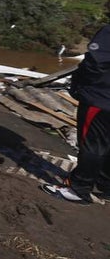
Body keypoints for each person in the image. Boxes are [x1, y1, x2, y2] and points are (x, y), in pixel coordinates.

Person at [43, 21, 110, 202]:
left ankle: (78, 188)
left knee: (92, 145)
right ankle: (106, 186)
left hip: (101, 97)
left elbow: (94, 62)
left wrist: (80, 85)